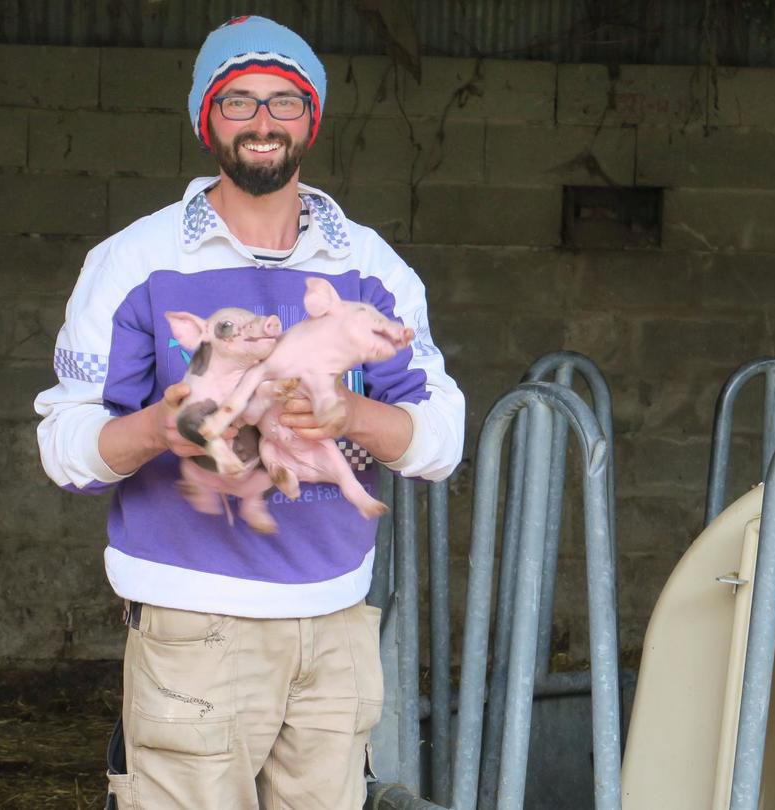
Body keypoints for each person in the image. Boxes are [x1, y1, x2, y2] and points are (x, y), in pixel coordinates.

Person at [33, 15, 465, 809]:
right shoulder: (135, 263)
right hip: (195, 631)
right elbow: (65, 444)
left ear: (311, 120)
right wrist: (162, 429)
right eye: (238, 102)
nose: (263, 122)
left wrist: (347, 419)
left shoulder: (368, 266)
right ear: (207, 119)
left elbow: (438, 436)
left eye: (284, 102)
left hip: (337, 624)